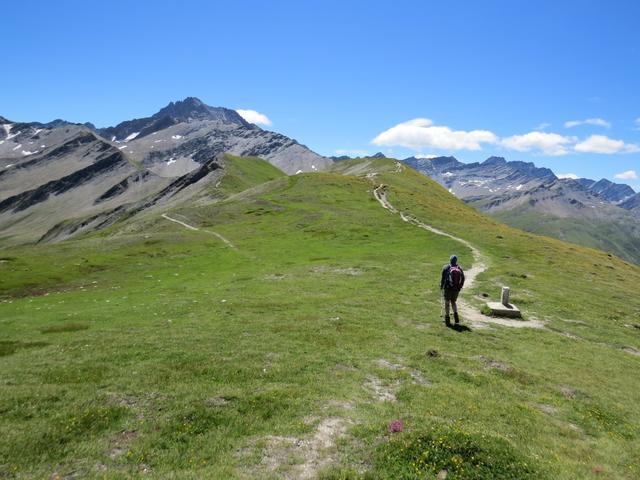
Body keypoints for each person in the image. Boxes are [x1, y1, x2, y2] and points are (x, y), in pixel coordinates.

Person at [440, 255, 465, 326]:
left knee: (447, 303)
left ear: (450, 260)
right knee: (453, 302)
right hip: (456, 289)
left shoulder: (446, 267)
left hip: (448, 289)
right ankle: (456, 317)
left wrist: (441, 286)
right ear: (456, 261)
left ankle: (447, 320)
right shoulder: (459, 268)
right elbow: (463, 278)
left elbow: (443, 278)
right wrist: (460, 287)